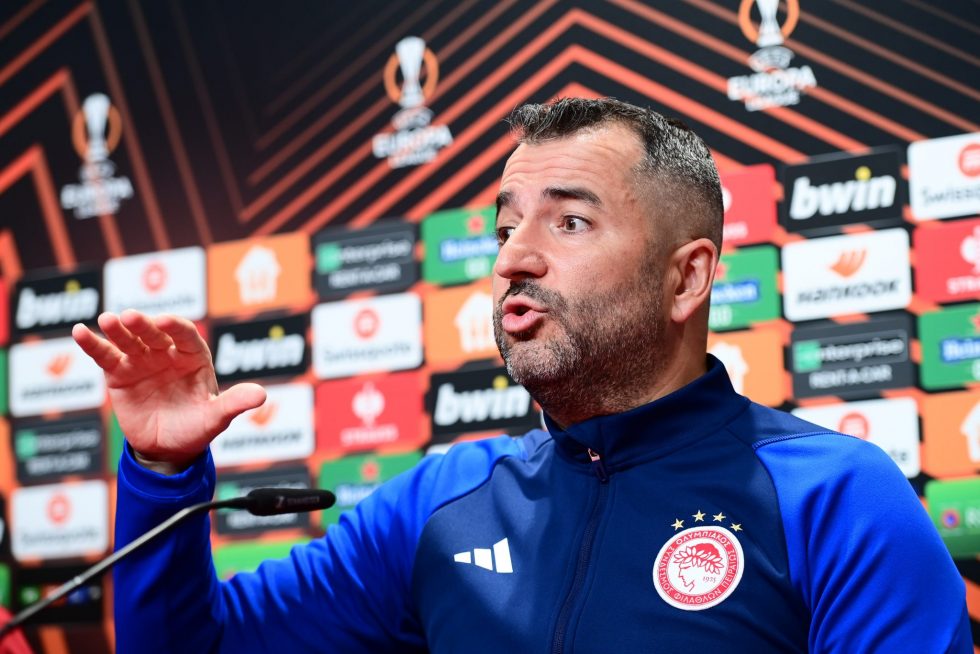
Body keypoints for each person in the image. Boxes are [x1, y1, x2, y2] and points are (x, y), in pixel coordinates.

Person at [73, 98, 970, 653]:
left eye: (568, 223)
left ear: (688, 278)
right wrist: (161, 473)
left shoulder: (834, 498)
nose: (513, 260)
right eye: (505, 228)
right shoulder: (439, 506)